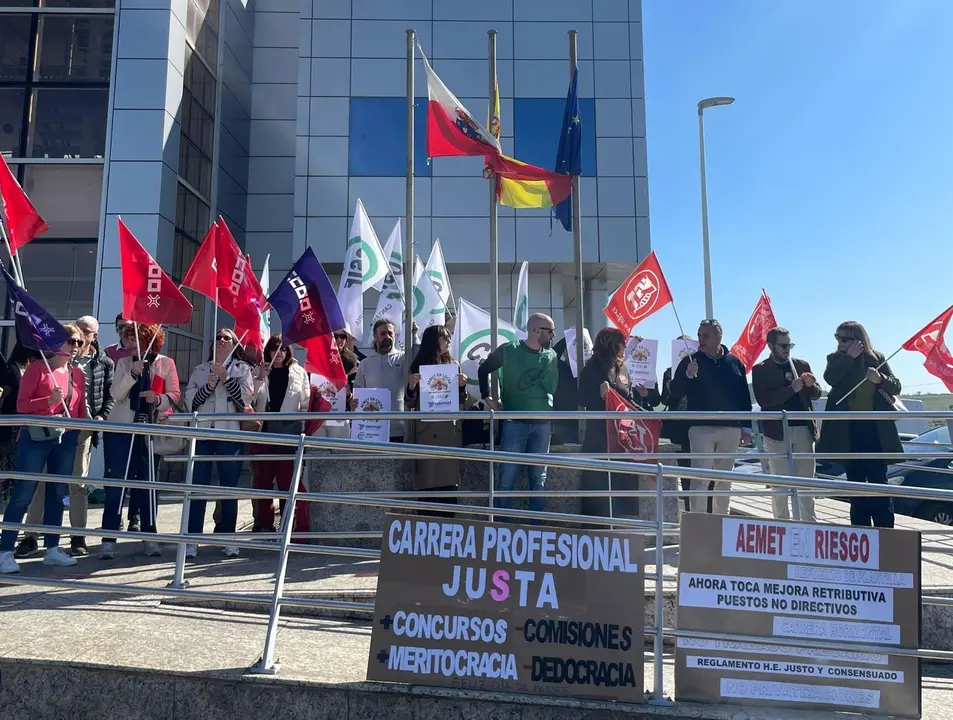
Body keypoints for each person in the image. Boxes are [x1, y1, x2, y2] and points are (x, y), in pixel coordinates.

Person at [19, 316, 114, 558]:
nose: (78, 340)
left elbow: (108, 396)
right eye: (75, 335)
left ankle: (76, 535)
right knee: (42, 484)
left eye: (85, 334)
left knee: (76, 484)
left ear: (94, 336)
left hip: (80, 428)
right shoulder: (52, 360)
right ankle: (31, 536)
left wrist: (100, 418)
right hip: (48, 430)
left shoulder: (102, 362)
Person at [0, 325, 87, 573]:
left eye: (79, 343)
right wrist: (47, 402)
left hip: (65, 438)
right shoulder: (38, 368)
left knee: (58, 493)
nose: (75, 347)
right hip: (35, 437)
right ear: (56, 342)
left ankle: (52, 548)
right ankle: (5, 550)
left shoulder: (77, 374)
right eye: (71, 341)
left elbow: (80, 412)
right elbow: (21, 404)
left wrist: (77, 432)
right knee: (24, 492)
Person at [101, 323, 179, 560]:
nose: (129, 344)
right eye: (127, 339)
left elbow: (175, 395)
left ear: (148, 341)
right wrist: (133, 373)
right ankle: (108, 539)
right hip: (122, 430)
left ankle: (150, 536)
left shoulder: (166, 363)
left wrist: (158, 399)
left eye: (134, 339)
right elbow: (116, 394)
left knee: (148, 483)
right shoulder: (124, 363)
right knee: (116, 483)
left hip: (150, 430)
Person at [817, 322, 902, 528]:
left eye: (844, 339)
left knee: (879, 484)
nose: (839, 342)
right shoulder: (835, 359)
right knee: (856, 487)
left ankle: (885, 532)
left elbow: (896, 385)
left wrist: (880, 378)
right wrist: (848, 358)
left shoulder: (877, 358)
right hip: (848, 431)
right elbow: (831, 379)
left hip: (874, 430)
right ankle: (861, 532)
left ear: (858, 340)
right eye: (837, 337)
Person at [478, 313, 559, 515]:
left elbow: (553, 388)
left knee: (538, 479)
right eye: (550, 331)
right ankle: (501, 530)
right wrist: (486, 396)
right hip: (514, 423)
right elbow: (484, 369)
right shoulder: (509, 350)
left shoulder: (551, 356)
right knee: (507, 478)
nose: (553, 336)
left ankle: (536, 529)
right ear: (536, 331)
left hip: (542, 423)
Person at [670, 319, 752, 515]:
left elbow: (744, 396)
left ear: (718, 337)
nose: (701, 339)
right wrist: (688, 376)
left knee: (724, 481)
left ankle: (721, 522)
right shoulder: (690, 361)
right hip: (700, 428)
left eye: (705, 335)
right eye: (699, 335)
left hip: (730, 429)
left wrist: (747, 427)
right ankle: (699, 522)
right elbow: (674, 391)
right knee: (700, 479)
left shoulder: (735, 362)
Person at [185, 328, 254, 557]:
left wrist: (226, 379)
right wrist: (210, 386)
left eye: (227, 338)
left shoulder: (242, 369)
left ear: (234, 344)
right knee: (197, 488)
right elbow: (191, 402)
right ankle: (191, 540)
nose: (222, 341)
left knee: (229, 488)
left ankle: (228, 538)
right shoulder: (200, 370)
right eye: (218, 337)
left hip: (229, 434)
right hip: (204, 433)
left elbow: (245, 399)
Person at [579, 328, 660, 519]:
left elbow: (627, 400)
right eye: (622, 343)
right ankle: (597, 528)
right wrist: (597, 396)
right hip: (599, 439)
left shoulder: (622, 368)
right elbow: (581, 397)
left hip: (623, 440)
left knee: (624, 483)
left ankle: (626, 526)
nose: (625, 347)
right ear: (610, 345)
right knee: (598, 485)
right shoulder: (592, 368)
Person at [752, 327, 821, 522]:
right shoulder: (761, 369)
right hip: (776, 431)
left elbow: (816, 395)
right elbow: (764, 400)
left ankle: (809, 523)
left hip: (803, 428)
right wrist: (791, 389)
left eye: (789, 345)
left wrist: (811, 385)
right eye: (782, 346)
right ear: (770, 346)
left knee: (806, 481)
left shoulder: (801, 364)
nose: (787, 350)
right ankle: (781, 523)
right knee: (780, 482)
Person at [250, 335, 311, 536]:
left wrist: (300, 426)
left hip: (288, 433)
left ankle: (287, 525)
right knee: (263, 482)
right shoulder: (260, 371)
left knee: (286, 483)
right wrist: (259, 377)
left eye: (283, 349)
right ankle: (264, 525)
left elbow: (305, 402)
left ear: (288, 352)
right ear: (267, 351)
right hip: (264, 433)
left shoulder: (299, 371)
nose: (278, 353)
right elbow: (248, 398)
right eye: (274, 349)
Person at [404, 325, 469, 516]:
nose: (449, 340)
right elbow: (410, 403)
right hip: (427, 433)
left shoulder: (454, 365)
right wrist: (411, 386)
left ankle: (448, 536)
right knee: (428, 488)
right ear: (433, 341)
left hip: (449, 432)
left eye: (449, 337)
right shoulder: (417, 367)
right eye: (445, 337)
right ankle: (427, 536)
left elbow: (461, 401)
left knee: (449, 489)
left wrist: (462, 387)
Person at [0, 344, 40, 506]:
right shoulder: (13, 367)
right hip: (11, 423)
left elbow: (9, 388)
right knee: (9, 461)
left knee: (18, 464)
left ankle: (11, 497)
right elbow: (15, 389)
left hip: (24, 423)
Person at [352, 319, 405, 442]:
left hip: (399, 427)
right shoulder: (365, 363)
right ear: (375, 336)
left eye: (390, 333)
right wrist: (353, 402)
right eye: (382, 333)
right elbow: (357, 393)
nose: (387, 336)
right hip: (372, 429)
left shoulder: (404, 358)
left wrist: (414, 336)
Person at [660, 336, 694, 514]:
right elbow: (665, 399)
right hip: (678, 427)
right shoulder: (669, 372)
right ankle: (688, 508)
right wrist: (669, 385)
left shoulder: (700, 368)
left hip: (697, 424)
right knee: (684, 468)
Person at [550, 336, 580, 445]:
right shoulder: (559, 366)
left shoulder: (586, 369)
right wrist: (569, 336)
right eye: (570, 350)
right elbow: (552, 354)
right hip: (561, 421)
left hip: (581, 420)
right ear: (565, 353)